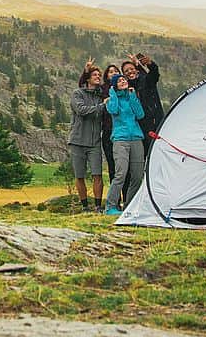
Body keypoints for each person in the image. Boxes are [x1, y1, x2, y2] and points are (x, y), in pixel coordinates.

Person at [104, 73, 146, 215]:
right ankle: (110, 207)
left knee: (137, 175)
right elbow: (113, 110)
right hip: (120, 139)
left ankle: (130, 206)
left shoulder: (131, 97)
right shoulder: (112, 99)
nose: (123, 81)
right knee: (121, 173)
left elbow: (140, 115)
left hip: (136, 137)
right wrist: (112, 93)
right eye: (119, 81)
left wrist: (133, 96)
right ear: (115, 85)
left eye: (124, 79)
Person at [68, 65, 106, 212]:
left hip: (95, 142)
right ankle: (85, 207)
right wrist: (101, 107)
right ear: (88, 78)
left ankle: (98, 207)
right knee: (80, 175)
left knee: (97, 174)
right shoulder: (77, 93)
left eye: (99, 75)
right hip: (77, 141)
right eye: (95, 75)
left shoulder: (100, 95)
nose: (98, 77)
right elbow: (81, 110)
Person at [126, 52, 164, 153]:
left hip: (157, 122)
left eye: (132, 68)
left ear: (137, 70)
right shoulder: (128, 89)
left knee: (160, 152)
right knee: (147, 155)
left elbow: (154, 73)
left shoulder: (147, 81)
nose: (130, 71)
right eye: (126, 71)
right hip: (141, 127)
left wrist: (150, 64)